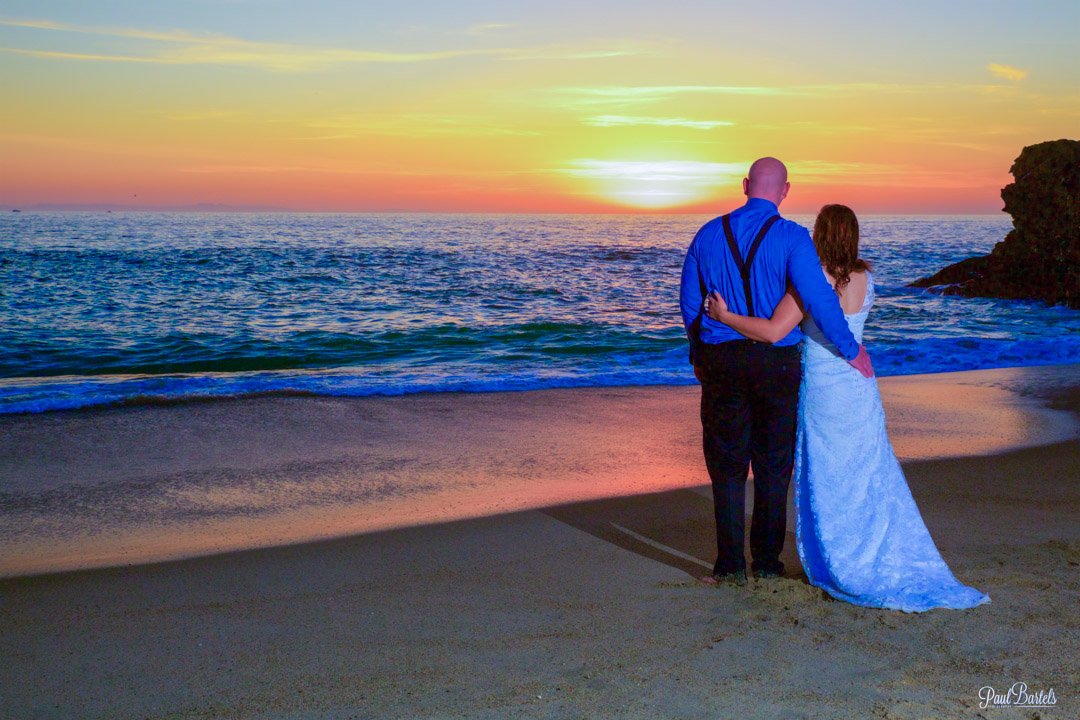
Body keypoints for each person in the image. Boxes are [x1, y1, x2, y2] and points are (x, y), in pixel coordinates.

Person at [705, 204, 989, 611]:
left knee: (829, 474)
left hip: (823, 389)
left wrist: (726, 315)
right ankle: (875, 550)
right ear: (853, 236)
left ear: (819, 234)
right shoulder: (866, 278)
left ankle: (842, 561)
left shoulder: (808, 280)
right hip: (859, 386)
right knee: (867, 472)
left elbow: (770, 332)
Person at [679, 158, 873, 587]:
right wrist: (850, 348)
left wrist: (698, 353)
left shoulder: (707, 234)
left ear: (746, 185)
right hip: (776, 364)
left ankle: (730, 567)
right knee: (772, 465)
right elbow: (819, 298)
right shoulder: (791, 236)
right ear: (785, 192)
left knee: (727, 466)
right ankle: (766, 561)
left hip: (723, 361)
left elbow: (690, 304)